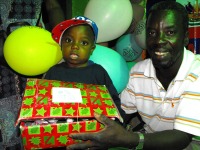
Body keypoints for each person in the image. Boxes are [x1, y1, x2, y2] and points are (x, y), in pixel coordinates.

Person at [66, 1, 200, 150]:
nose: (159, 41)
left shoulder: (196, 72)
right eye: (152, 33)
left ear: (186, 37)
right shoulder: (138, 73)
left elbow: (182, 138)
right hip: (150, 140)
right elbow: (121, 115)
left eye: (169, 33)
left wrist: (127, 139)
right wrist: (100, 133)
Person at [0, 1, 65, 149]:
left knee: (37, 114)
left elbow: (53, 6)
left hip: (36, 55)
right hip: (3, 67)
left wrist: (62, 38)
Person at [44, 16, 125, 121]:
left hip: (93, 128)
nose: (75, 46)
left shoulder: (98, 72)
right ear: (61, 45)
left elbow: (113, 101)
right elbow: (44, 101)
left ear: (91, 49)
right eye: (68, 40)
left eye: (84, 43)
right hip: (60, 127)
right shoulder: (53, 72)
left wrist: (118, 120)